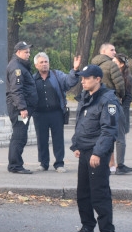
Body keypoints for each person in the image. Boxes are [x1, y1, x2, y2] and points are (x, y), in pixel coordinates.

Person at [70, 64, 121, 232]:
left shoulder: (108, 100)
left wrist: (98, 153)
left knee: (99, 193)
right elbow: (82, 123)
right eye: (82, 78)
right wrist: (77, 144)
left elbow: (109, 130)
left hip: (97, 153)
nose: (82, 81)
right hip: (85, 150)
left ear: (98, 79)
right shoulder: (86, 96)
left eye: (86, 78)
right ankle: (87, 226)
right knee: (83, 193)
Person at [32, 52, 81, 173]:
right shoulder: (32, 79)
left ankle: (59, 163)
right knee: (41, 139)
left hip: (56, 113)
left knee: (58, 139)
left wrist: (74, 69)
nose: (44, 64)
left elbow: (69, 82)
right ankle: (43, 163)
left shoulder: (57, 75)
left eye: (46, 62)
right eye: (41, 62)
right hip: (39, 114)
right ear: (36, 65)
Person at [6, 41, 38, 174]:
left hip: (21, 107)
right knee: (19, 136)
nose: (28, 54)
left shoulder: (21, 65)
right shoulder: (16, 68)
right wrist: (22, 108)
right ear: (18, 52)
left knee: (20, 135)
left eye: (29, 52)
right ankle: (15, 165)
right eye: (26, 52)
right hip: (19, 108)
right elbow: (16, 90)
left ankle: (15, 164)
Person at [113, 54, 132, 174]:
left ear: (121, 64)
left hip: (121, 109)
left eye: (115, 62)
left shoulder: (128, 78)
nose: (112, 64)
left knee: (120, 137)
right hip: (113, 109)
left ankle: (120, 165)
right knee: (117, 138)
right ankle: (118, 165)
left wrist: (122, 110)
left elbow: (129, 97)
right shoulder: (112, 75)